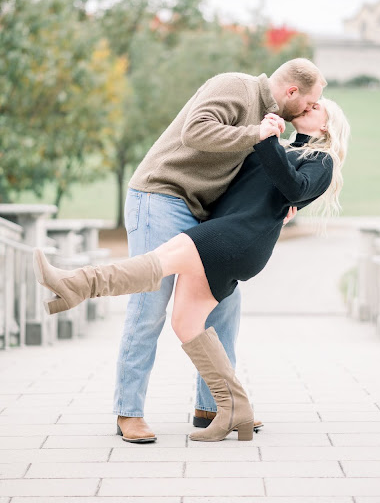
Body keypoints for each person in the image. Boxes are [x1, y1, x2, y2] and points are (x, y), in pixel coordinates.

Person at [40, 58, 326, 444]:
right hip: (163, 193)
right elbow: (196, 132)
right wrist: (255, 133)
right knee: (150, 301)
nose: (309, 110)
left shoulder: (271, 124)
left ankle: (215, 406)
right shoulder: (235, 87)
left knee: (225, 306)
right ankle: (130, 411)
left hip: (204, 213)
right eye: (310, 103)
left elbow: (272, 178)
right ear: (291, 91)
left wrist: (284, 205)